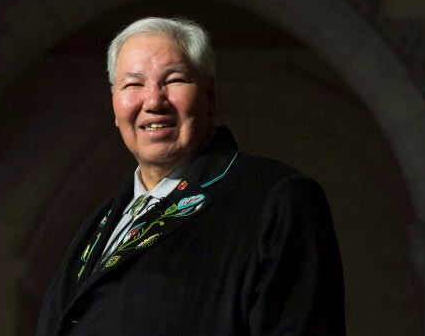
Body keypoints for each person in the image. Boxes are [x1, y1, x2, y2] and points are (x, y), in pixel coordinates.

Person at [36, 17, 346, 335]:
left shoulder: (276, 198)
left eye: (174, 80)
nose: (154, 101)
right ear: (115, 107)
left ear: (210, 96)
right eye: (133, 84)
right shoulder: (100, 221)